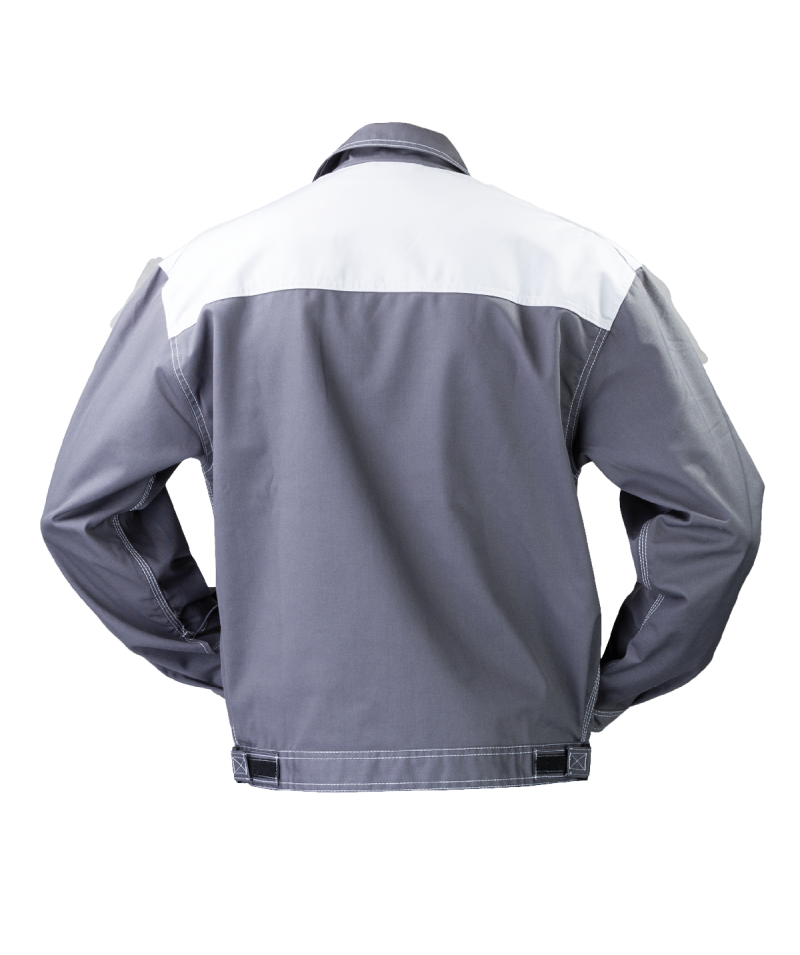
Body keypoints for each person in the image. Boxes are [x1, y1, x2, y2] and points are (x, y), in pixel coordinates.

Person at [39, 121, 765, 791]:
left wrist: (223, 657)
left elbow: (84, 512)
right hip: (523, 747)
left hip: (295, 747)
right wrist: (609, 682)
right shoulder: (586, 272)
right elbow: (718, 516)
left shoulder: (201, 277)